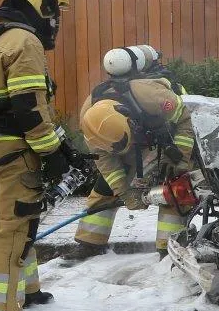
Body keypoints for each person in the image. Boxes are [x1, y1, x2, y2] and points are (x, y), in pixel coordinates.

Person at [0, 0, 81, 311]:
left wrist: (60, 148)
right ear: (42, 2)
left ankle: (28, 289)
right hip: (16, 152)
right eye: (55, 9)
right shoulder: (24, 41)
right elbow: (30, 109)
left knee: (25, 220)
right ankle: (1, 308)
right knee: (13, 226)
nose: (55, 20)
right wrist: (51, 154)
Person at [64, 53, 197, 262]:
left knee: (173, 187)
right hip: (128, 146)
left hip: (167, 139)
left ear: (127, 115)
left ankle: (169, 247)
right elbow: (106, 162)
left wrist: (179, 159)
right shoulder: (89, 122)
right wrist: (126, 193)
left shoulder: (153, 95)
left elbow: (186, 119)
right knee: (105, 187)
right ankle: (90, 243)